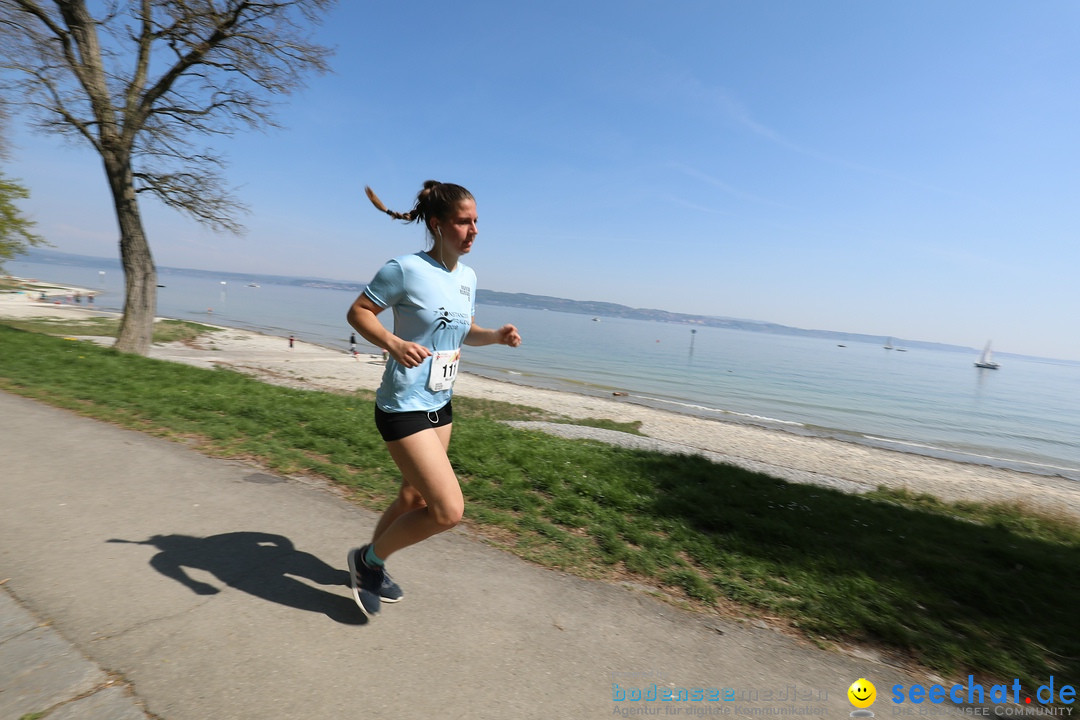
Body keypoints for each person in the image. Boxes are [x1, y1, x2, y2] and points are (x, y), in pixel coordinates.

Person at [345, 180, 521, 617]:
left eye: (477, 221)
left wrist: (494, 337)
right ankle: (370, 563)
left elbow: (464, 332)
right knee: (448, 510)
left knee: (413, 499)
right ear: (439, 225)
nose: (474, 230)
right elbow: (358, 313)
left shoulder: (468, 278)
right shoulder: (403, 269)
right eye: (464, 221)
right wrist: (392, 343)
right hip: (402, 405)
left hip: (440, 403)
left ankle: (367, 560)